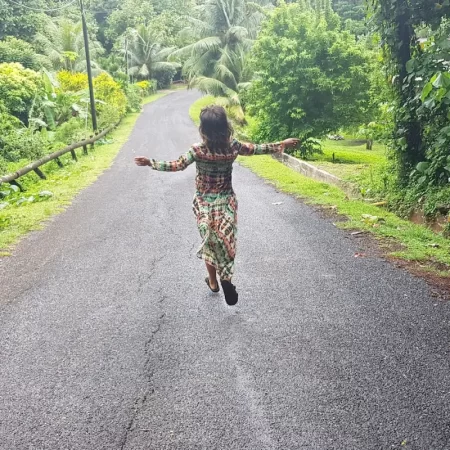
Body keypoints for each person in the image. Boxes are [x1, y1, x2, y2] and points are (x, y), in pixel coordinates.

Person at [135, 105, 299, 306]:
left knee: (210, 241)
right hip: (227, 202)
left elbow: (176, 165)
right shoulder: (233, 147)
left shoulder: (198, 150)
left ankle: (213, 281)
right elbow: (257, 148)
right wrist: (282, 143)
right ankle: (226, 278)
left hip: (204, 204)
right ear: (225, 126)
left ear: (204, 129)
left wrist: (150, 162)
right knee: (226, 242)